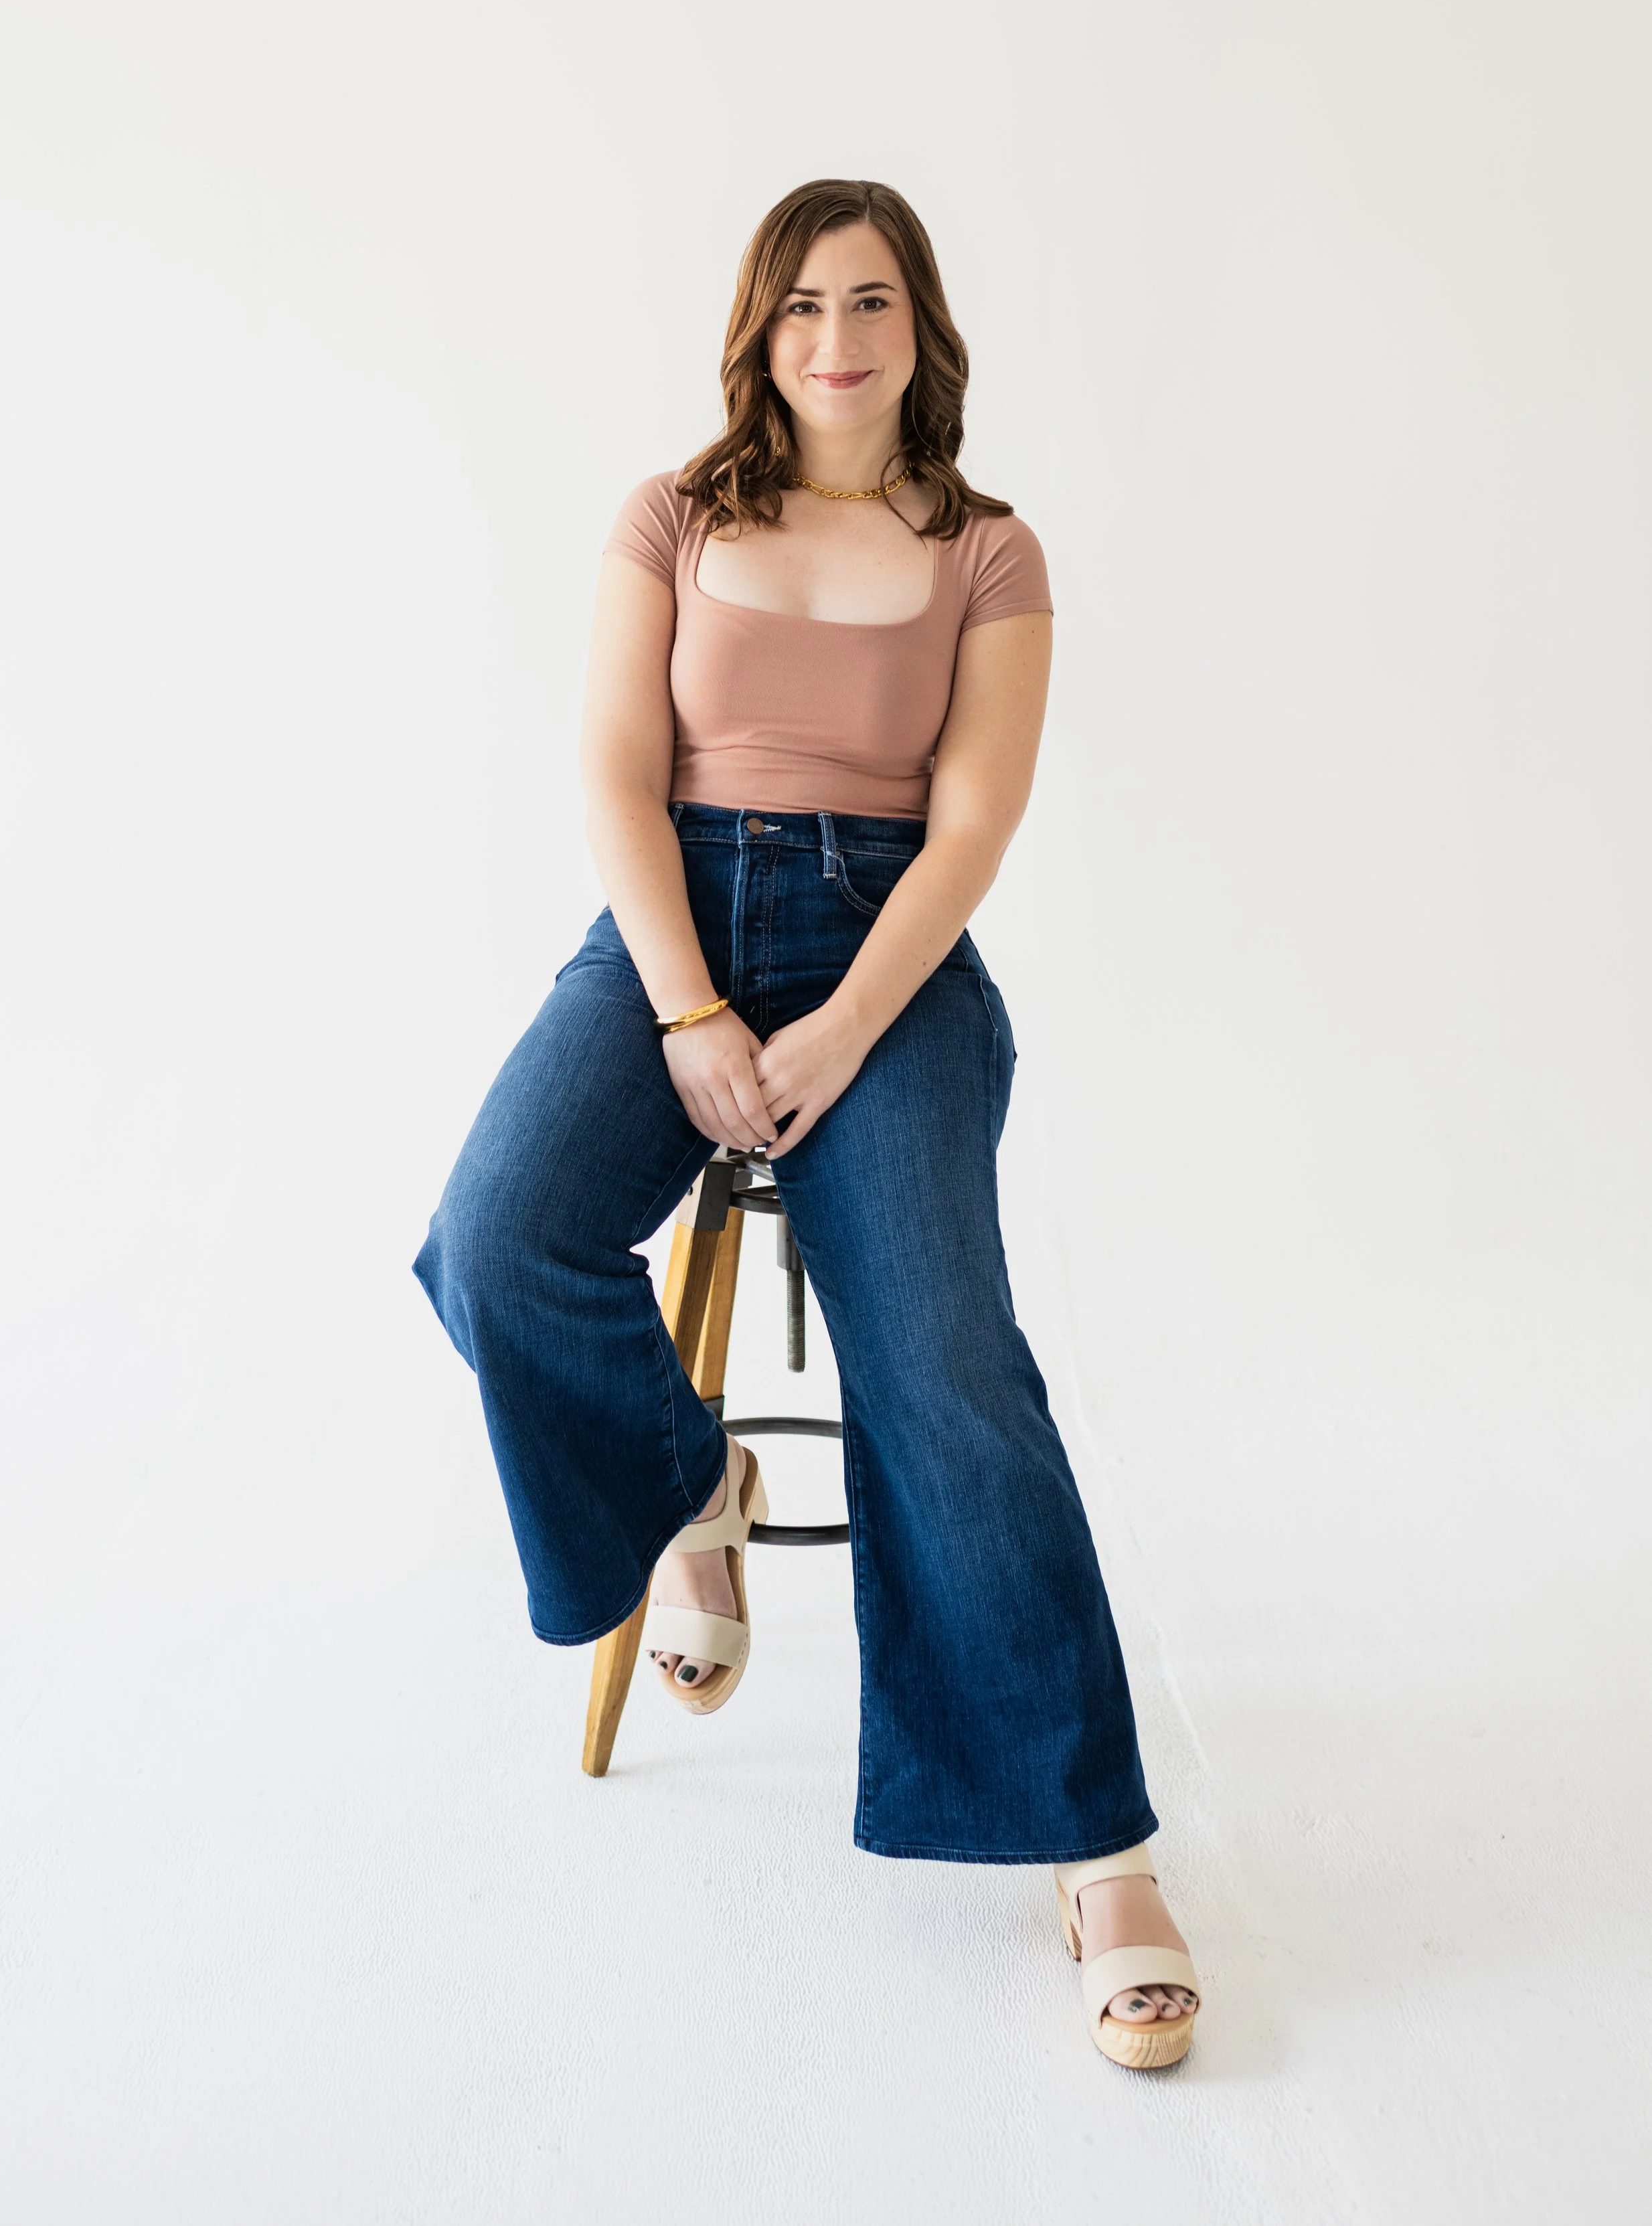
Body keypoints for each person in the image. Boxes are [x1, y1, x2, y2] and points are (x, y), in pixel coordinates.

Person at [411, 178, 1202, 2067]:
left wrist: (843, 1025)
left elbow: (975, 822)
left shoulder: (986, 552)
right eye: (797, 310)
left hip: (890, 956)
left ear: (920, 325)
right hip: (669, 922)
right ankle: (697, 1489)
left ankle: (1101, 1847)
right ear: (756, 335)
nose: (833, 342)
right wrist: (688, 1006)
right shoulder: (672, 516)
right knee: (494, 1236)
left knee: (942, 1367)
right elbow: (613, 767)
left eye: (868, 303)